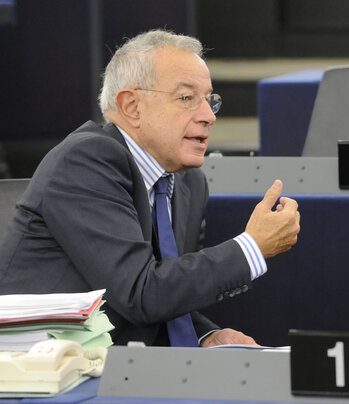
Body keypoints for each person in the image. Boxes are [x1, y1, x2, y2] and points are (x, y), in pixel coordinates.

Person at [0, 30, 301, 347]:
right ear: (131, 106)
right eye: (186, 98)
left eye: (210, 100)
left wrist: (207, 335)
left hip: (119, 367)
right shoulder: (86, 161)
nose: (208, 116)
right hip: (39, 372)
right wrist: (252, 246)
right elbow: (141, 294)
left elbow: (165, 290)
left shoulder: (188, 182)